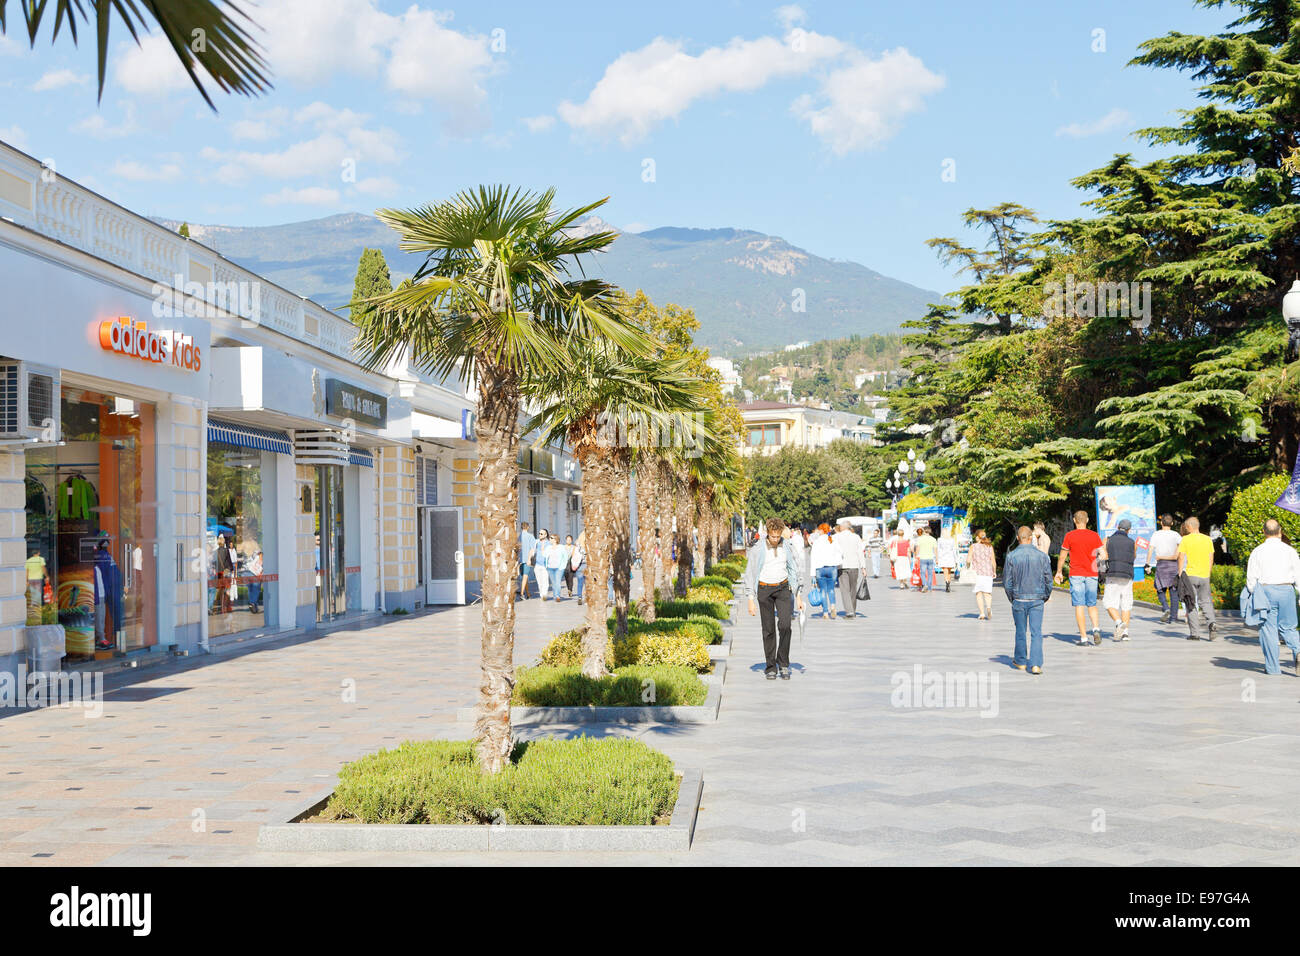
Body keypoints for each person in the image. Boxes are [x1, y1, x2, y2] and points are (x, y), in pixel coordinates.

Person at [742, 517, 804, 680]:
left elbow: (795, 570)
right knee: (768, 629)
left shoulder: (788, 547)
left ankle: (783, 663)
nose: (775, 540)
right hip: (764, 589)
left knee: (785, 625)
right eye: (772, 536)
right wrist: (750, 598)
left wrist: (798, 595)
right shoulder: (758, 548)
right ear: (768, 534)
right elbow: (750, 572)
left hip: (783, 588)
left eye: (778, 536)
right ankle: (770, 666)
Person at [1245, 518, 1300, 674]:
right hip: (1287, 590)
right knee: (1289, 627)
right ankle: (1298, 650)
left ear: (1263, 532)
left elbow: (1251, 579)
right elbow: (1298, 574)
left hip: (1266, 591)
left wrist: (1252, 592)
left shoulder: (1257, 551)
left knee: (1268, 629)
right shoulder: (1290, 551)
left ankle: (1273, 668)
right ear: (1280, 531)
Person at [1002, 525, 1053, 674]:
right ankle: (1036, 664)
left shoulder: (1011, 556)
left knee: (1020, 631)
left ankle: (1021, 661)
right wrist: (1045, 596)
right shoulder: (1042, 556)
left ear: (1018, 538)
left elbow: (1007, 582)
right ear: (1031, 538)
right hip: (1037, 598)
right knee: (1037, 632)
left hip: (1018, 598)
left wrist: (1012, 597)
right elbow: (1048, 580)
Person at [1055, 510, 1104, 646]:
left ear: (1074, 521)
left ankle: (1083, 638)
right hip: (1092, 574)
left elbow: (1062, 556)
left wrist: (1059, 571)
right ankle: (1095, 628)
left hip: (1076, 574)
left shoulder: (1069, 536)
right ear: (1087, 520)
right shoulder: (1094, 536)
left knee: (1079, 605)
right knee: (1092, 604)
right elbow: (1103, 554)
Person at [1177, 516, 1216, 641]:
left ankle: (1195, 633)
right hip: (1204, 575)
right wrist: (1208, 572)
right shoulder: (1207, 539)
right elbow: (1211, 557)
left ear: (1189, 527)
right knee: (1206, 601)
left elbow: (1181, 557)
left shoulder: (1185, 540)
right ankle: (1212, 623)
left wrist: (1179, 573)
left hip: (1190, 575)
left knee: (1191, 602)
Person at [1099, 518, 1137, 641]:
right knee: (1126, 604)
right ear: (1128, 530)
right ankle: (1125, 634)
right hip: (1127, 575)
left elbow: (1102, 556)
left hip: (1112, 574)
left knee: (1108, 603)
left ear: (1117, 527)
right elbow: (1134, 556)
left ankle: (1119, 622)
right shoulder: (1132, 542)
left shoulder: (1108, 540)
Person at [1149, 513, 1183, 624]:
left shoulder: (1156, 534)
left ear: (1161, 523)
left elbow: (1150, 549)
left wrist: (1147, 563)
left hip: (1161, 564)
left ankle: (1165, 607)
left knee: (1159, 588)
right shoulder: (1176, 535)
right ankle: (1173, 618)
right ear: (1172, 523)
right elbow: (1181, 550)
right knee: (1174, 592)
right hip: (1174, 565)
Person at [834, 519, 865, 619]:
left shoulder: (836, 537)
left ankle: (849, 611)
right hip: (854, 566)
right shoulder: (856, 537)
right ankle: (852, 610)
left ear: (842, 527)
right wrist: (863, 567)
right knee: (853, 589)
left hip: (841, 566)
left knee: (844, 590)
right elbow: (860, 552)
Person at [809, 523, 840, 619]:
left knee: (822, 590)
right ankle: (833, 606)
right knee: (831, 589)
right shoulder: (833, 540)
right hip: (832, 568)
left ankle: (825, 612)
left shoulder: (817, 541)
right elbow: (840, 552)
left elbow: (813, 558)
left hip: (820, 569)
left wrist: (812, 574)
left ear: (822, 530)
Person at [970, 529, 996, 620]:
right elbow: (993, 560)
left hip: (977, 573)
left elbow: (968, 560)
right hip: (988, 572)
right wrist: (994, 571)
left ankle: (982, 613)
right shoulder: (989, 546)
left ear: (977, 537)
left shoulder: (973, 546)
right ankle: (988, 607)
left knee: (979, 593)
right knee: (987, 593)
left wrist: (968, 566)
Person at [546, 533, 570, 601]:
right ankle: (555, 595)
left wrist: (563, 566)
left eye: (551, 538)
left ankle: (557, 596)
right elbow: (545, 556)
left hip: (559, 568)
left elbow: (566, 557)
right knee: (553, 583)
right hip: (550, 567)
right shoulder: (548, 547)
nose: (550, 539)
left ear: (555, 540)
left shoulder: (561, 547)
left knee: (558, 582)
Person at [913, 525, 937, 593]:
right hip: (930, 558)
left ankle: (925, 584)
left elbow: (917, 548)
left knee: (922, 573)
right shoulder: (933, 539)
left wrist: (916, 557)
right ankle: (929, 588)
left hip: (922, 558)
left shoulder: (920, 539)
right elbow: (935, 550)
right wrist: (937, 559)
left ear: (924, 531)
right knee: (930, 573)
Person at [517, 522, 537, 600]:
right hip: (527, 559)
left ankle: (528, 594)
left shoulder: (519, 537)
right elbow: (532, 549)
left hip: (520, 560)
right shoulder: (530, 536)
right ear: (528, 527)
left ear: (521, 527)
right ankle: (522, 594)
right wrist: (529, 559)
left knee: (524, 577)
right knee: (525, 577)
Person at [935, 528, 958, 592]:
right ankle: (948, 584)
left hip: (943, 557)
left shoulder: (939, 540)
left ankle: (947, 583)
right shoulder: (952, 540)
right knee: (949, 572)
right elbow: (954, 550)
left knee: (945, 571)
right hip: (950, 557)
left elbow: (938, 549)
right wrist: (956, 559)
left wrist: (937, 558)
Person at [890, 526, 912, 590]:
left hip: (897, 558)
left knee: (899, 570)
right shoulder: (906, 542)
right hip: (904, 557)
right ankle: (904, 581)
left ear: (897, 534)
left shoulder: (894, 542)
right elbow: (908, 551)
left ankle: (901, 584)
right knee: (905, 570)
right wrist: (910, 559)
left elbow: (891, 550)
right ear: (903, 534)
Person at [534, 529, 552, 600]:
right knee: (539, 581)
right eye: (539, 533)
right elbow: (533, 551)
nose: (540, 535)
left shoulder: (548, 543)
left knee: (545, 581)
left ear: (545, 535)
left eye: (541, 534)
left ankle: (544, 595)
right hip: (537, 564)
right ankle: (541, 594)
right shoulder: (537, 542)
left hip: (545, 565)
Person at [571, 532, 588, 603]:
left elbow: (573, 554)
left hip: (579, 565)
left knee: (580, 582)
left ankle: (579, 597)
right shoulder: (589, 545)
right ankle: (587, 597)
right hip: (587, 564)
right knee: (588, 583)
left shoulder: (577, 545)